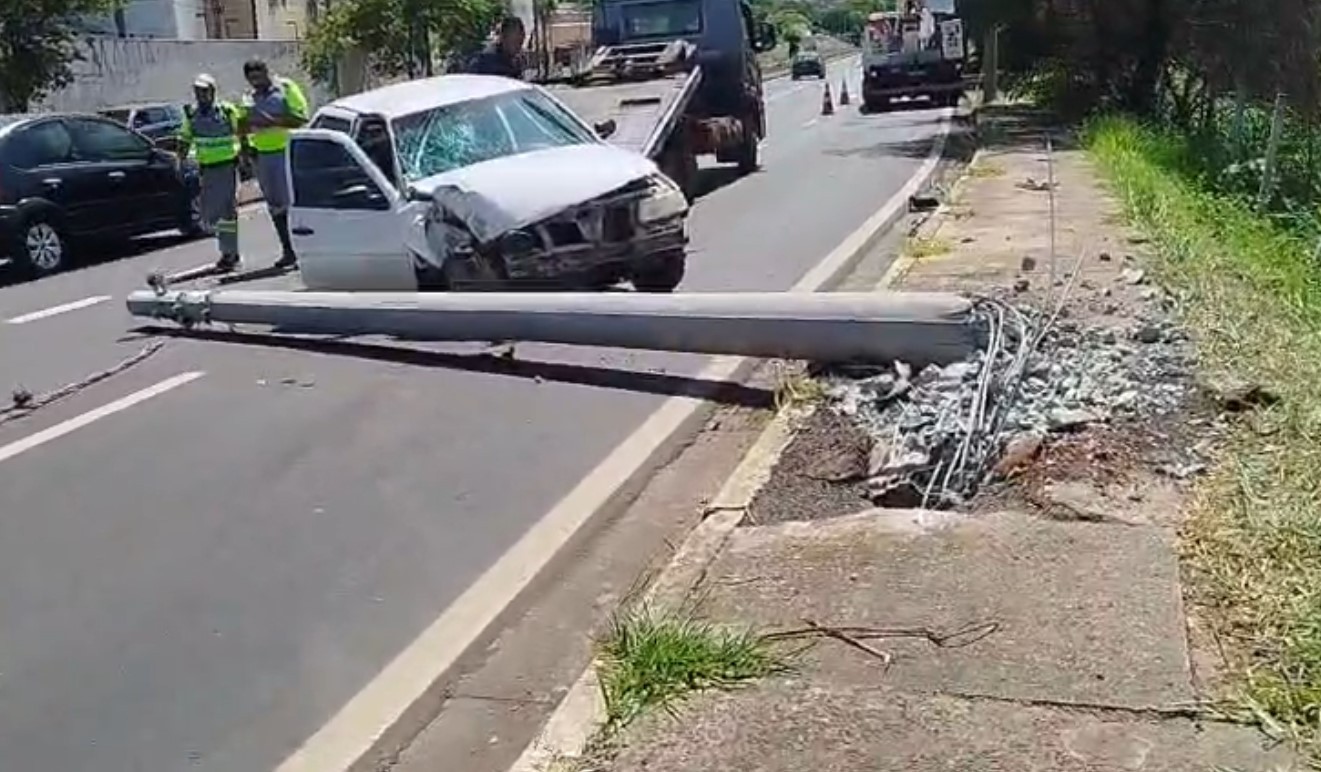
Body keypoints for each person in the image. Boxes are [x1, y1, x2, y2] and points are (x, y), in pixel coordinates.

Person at [239, 58, 309, 269]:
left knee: (295, 202)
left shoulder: (285, 88)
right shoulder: (248, 98)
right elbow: (242, 125)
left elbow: (301, 118)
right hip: (262, 156)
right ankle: (288, 250)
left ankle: (305, 249)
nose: (256, 82)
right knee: (275, 206)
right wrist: (245, 149)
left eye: (259, 76)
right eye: (252, 79)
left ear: (267, 72)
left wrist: (269, 120)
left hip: (288, 151)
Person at [178, 74, 243, 271]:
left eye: (204, 91)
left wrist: (246, 156)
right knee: (209, 216)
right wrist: (180, 161)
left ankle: (229, 254)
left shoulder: (226, 110)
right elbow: (184, 137)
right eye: (198, 91)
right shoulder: (191, 114)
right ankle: (228, 250)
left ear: (213, 92)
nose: (201, 95)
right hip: (207, 169)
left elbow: (241, 132)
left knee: (226, 213)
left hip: (227, 166)